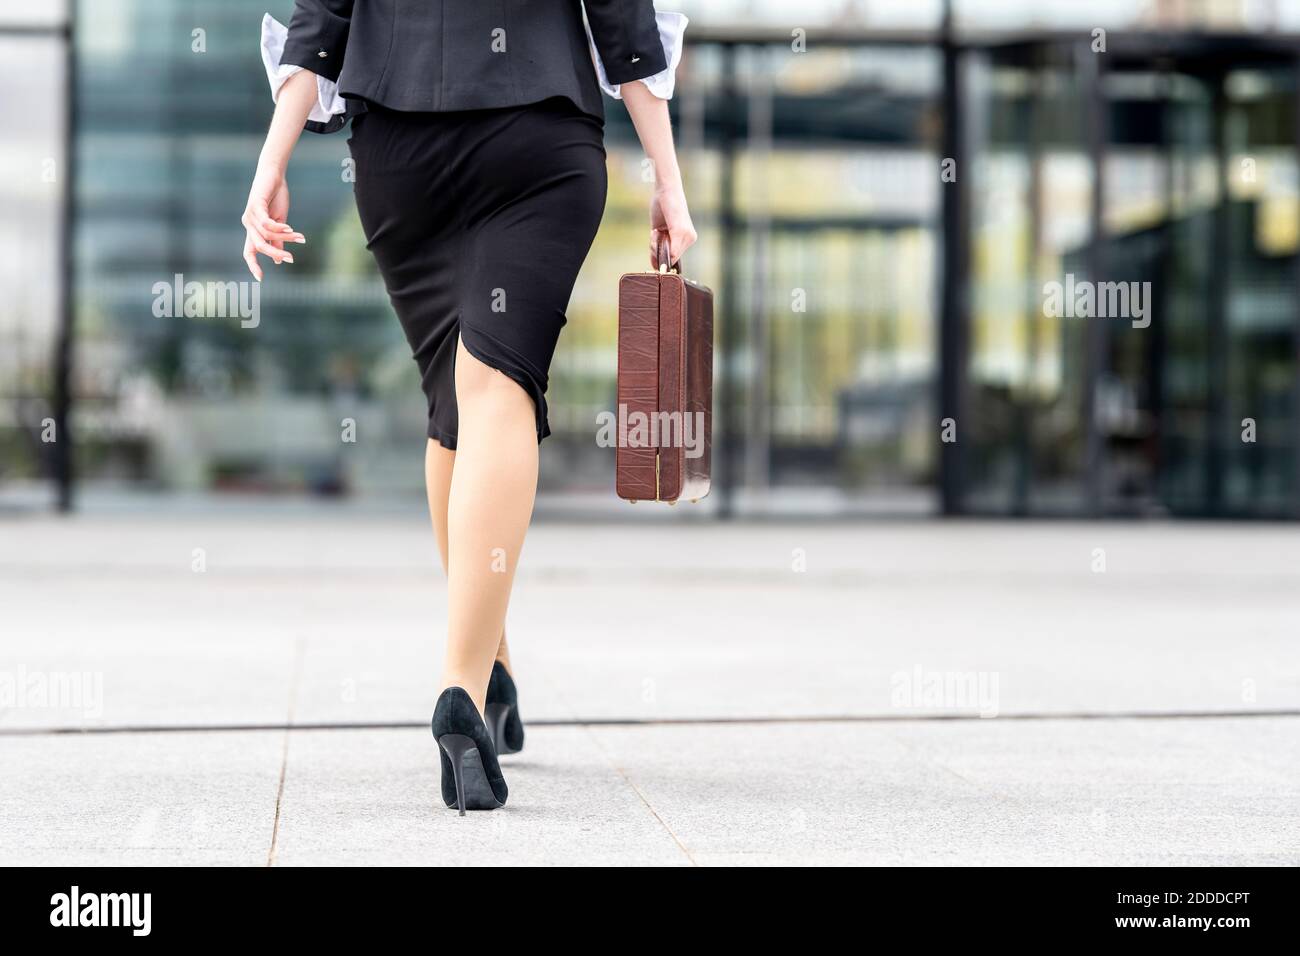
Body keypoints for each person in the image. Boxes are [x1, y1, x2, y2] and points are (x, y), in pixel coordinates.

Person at [242, 1, 697, 814]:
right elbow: (623, 16)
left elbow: (322, 14)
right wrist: (667, 177)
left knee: (457, 400)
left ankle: (485, 665)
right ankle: (464, 682)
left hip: (397, 150)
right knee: (494, 388)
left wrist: (270, 161)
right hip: (536, 137)